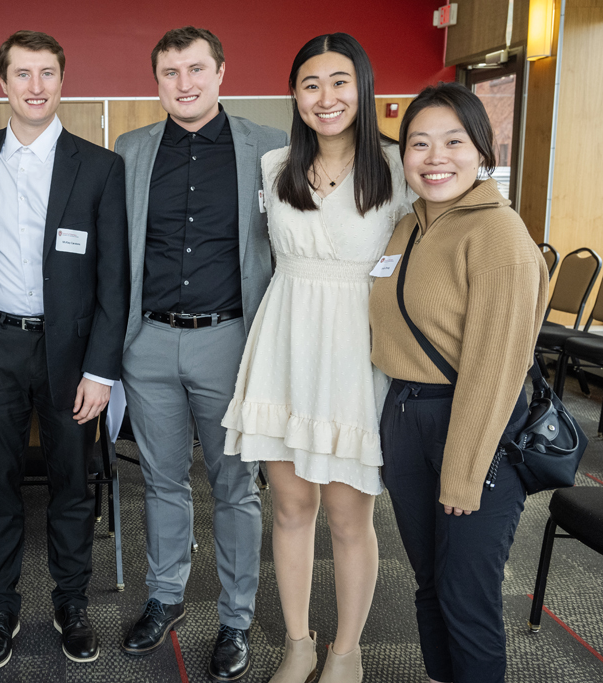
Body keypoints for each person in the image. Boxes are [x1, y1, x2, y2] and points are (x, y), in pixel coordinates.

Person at [221, 33, 412, 683]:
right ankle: (299, 641)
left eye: (338, 81)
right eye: (310, 84)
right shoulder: (274, 167)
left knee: (347, 513)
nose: (325, 97)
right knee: (290, 505)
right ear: (295, 95)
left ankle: (346, 649)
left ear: (361, 86)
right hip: (286, 342)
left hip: (355, 350)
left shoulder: (396, 168)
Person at [114, 26, 287, 682]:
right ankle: (164, 596)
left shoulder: (269, 149)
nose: (183, 83)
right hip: (148, 340)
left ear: (221, 72)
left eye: (195, 69)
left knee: (234, 486)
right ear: (156, 81)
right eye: (169, 72)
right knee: (160, 479)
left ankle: (237, 616)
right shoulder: (130, 150)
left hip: (230, 340)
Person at [0, 30, 129, 671]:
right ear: (2, 83)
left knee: (71, 487)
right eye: (22, 74)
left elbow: (114, 279)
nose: (35, 86)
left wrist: (101, 369)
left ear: (62, 81)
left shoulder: (99, 165)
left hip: (70, 353)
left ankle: (72, 604)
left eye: (47, 73)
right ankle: (0, 607)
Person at [370, 82, 548, 683]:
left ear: (481, 151)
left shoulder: (498, 234)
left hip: (472, 427)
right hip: (406, 420)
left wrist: (466, 470)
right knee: (429, 587)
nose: (434, 156)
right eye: (419, 143)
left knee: (467, 600)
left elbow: (498, 368)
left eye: (453, 141)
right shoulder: (407, 227)